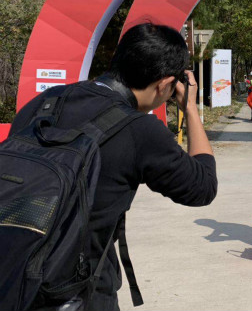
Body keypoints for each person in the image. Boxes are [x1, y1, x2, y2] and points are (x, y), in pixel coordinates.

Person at [9, 23, 217, 311]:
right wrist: (190, 110)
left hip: (14, 272)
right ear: (165, 84)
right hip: (80, 291)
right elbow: (203, 187)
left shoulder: (46, 102)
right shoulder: (139, 130)